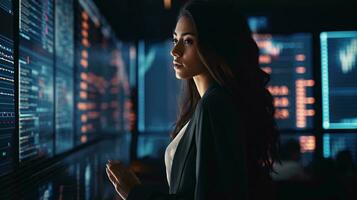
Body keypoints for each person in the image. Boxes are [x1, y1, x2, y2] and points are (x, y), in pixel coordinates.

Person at [106, 0, 279, 199]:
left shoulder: (214, 105)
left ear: (214, 45)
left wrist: (135, 193)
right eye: (175, 40)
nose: (175, 51)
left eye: (188, 41)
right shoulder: (209, 103)